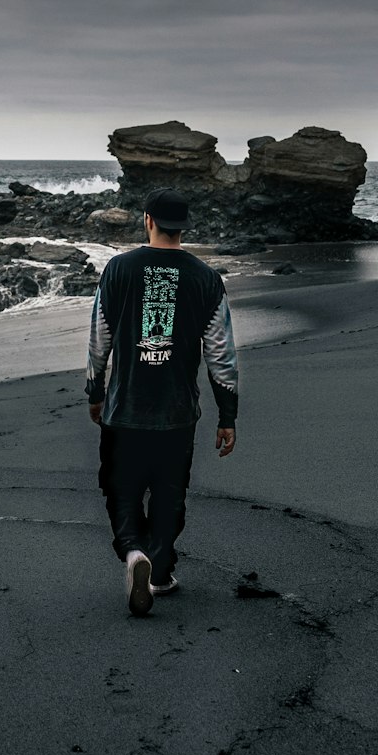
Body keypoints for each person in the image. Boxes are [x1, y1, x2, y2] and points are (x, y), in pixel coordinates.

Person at [85, 186, 239, 616]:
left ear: (148, 220)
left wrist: (95, 392)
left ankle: (135, 552)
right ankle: (160, 571)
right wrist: (227, 416)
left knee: (121, 490)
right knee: (170, 494)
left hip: (125, 408)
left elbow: (99, 340)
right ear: (183, 226)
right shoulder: (206, 278)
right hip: (177, 412)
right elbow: (222, 354)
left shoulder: (118, 269)